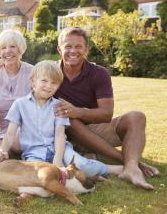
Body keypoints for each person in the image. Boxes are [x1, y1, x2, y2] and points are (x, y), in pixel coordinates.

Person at [53, 27, 159, 189]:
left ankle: (130, 167)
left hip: (96, 130)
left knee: (136, 116)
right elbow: (28, 73)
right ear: (59, 48)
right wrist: (2, 63)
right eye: (68, 46)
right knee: (70, 120)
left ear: (86, 49)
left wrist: (78, 111)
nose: (73, 51)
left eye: (78, 46)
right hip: (65, 135)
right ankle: (130, 163)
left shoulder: (99, 73)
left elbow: (106, 114)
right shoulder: (51, 71)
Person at [0, 60, 123, 177]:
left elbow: (59, 134)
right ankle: (71, 174)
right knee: (37, 174)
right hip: (33, 152)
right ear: (32, 82)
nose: (49, 86)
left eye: (54, 83)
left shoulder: (58, 106)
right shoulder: (20, 104)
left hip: (60, 149)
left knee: (81, 164)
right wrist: (3, 150)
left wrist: (57, 159)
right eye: (44, 81)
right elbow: (10, 133)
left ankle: (112, 169)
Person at [0, 29, 33, 152]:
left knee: (16, 141)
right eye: (3, 48)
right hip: (6, 133)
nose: (7, 51)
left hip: (30, 128)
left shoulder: (33, 72)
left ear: (20, 49)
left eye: (12, 46)